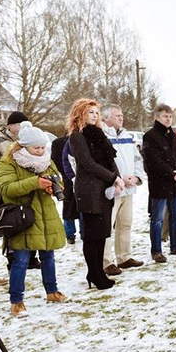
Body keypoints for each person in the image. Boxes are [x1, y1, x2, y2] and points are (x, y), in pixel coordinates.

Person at [0, 121, 71, 315]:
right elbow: (6, 189)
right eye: (36, 147)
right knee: (20, 259)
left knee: (48, 256)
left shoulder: (47, 159)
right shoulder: (8, 161)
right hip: (23, 217)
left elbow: (58, 177)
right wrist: (35, 182)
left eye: (42, 147)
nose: (40, 150)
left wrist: (55, 187)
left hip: (46, 216)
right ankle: (16, 301)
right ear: (23, 146)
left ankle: (52, 291)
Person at [68, 99, 125, 290]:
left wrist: (117, 177)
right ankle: (93, 273)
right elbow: (88, 164)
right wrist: (112, 178)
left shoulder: (100, 134)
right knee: (92, 236)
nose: (94, 115)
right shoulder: (77, 137)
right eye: (90, 112)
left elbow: (110, 159)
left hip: (103, 190)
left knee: (102, 234)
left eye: (96, 112)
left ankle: (98, 271)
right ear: (80, 114)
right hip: (89, 191)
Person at [142, 104, 176, 263]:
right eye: (165, 116)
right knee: (157, 219)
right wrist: (172, 173)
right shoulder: (150, 136)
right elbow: (154, 161)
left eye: (170, 116)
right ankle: (156, 250)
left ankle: (175, 246)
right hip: (159, 183)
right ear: (156, 117)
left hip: (175, 183)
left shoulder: (173, 136)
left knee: (175, 217)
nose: (169, 119)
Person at [0, 111, 40, 269]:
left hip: (28, 187)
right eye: (18, 124)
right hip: (8, 187)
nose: (22, 127)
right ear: (10, 126)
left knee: (31, 220)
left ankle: (32, 256)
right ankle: (12, 257)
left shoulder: (28, 139)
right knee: (12, 222)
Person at [102, 104, 145, 276]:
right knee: (107, 228)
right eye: (117, 115)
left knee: (125, 224)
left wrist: (136, 177)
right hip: (112, 190)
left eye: (121, 115)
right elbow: (103, 163)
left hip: (129, 189)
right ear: (106, 118)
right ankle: (106, 261)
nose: (121, 118)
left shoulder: (127, 136)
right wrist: (117, 179)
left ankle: (124, 256)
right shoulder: (102, 136)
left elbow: (137, 159)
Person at [51, 134, 80, 244]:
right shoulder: (58, 143)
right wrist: (66, 172)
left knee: (82, 206)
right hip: (67, 178)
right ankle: (69, 234)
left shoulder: (82, 139)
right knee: (68, 206)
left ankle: (83, 231)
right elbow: (55, 160)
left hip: (81, 178)